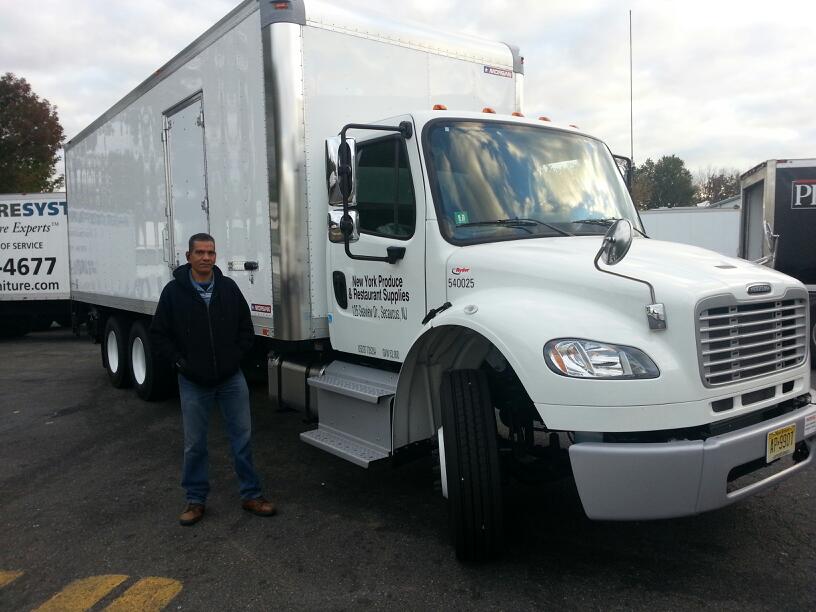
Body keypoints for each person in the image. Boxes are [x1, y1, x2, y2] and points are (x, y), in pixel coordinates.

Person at [151, 232, 275, 526]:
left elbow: (246, 329)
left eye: (211, 253)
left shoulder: (228, 289)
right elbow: (159, 335)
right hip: (193, 381)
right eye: (200, 253)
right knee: (195, 444)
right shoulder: (173, 293)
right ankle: (195, 500)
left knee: (242, 439)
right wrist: (181, 363)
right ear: (188, 257)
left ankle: (251, 495)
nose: (206, 258)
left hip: (231, 379)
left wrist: (235, 358)